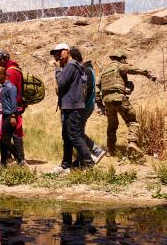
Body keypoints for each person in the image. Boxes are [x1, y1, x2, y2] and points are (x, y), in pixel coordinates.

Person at [96, 50, 157, 157]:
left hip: (107, 101)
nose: (125, 60)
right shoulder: (120, 66)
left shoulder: (104, 71)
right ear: (121, 58)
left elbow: (97, 88)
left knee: (112, 126)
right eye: (124, 58)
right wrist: (147, 73)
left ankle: (111, 150)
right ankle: (133, 142)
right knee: (132, 121)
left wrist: (100, 104)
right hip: (119, 98)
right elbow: (132, 69)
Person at [51, 42, 92, 172]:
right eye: (56, 54)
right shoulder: (71, 66)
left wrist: (57, 69)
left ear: (67, 51)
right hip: (69, 106)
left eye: (60, 52)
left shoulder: (70, 65)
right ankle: (65, 164)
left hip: (73, 107)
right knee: (67, 137)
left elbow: (61, 83)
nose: (58, 56)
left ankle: (89, 163)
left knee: (74, 136)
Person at [67, 47, 105, 165]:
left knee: (76, 133)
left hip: (84, 107)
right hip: (85, 106)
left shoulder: (86, 70)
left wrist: (78, 105)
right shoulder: (87, 69)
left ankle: (95, 150)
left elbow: (86, 90)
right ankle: (81, 160)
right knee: (78, 132)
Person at [0, 50, 25, 162]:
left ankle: (19, 159)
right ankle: (8, 159)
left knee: (13, 135)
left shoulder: (10, 72)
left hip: (11, 109)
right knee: (8, 135)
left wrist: (12, 114)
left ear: (5, 58)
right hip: (12, 108)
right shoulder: (11, 69)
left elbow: (10, 93)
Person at [0, 66, 23, 165]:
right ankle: (3, 162)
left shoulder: (11, 87)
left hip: (9, 115)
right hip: (2, 116)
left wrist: (13, 116)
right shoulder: (1, 87)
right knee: (2, 140)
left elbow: (14, 102)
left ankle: (20, 159)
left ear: (1, 76)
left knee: (5, 140)